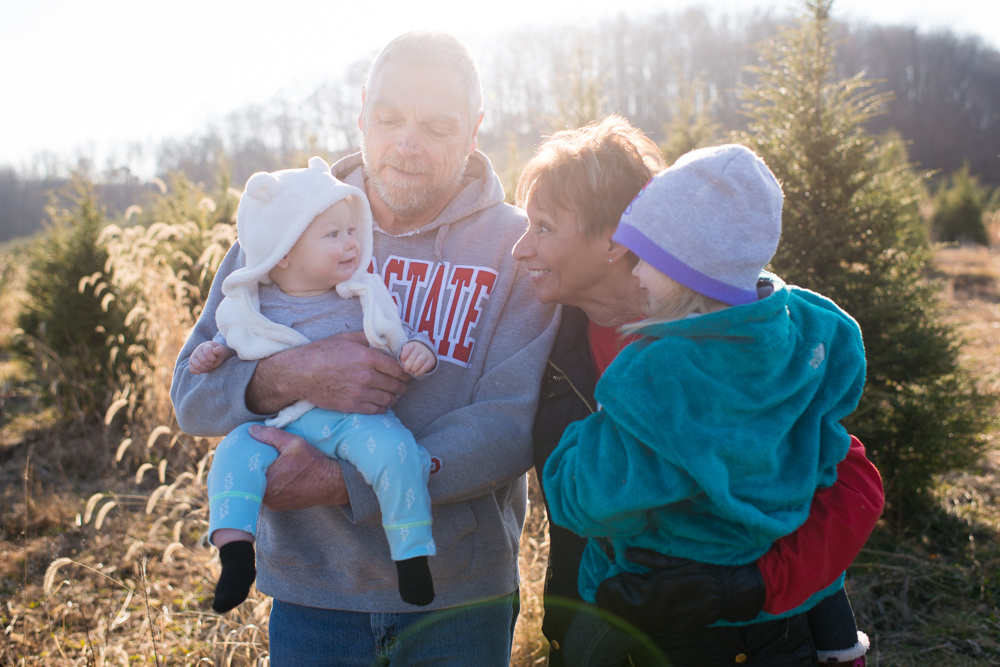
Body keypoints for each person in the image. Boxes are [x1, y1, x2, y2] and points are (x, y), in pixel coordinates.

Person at [170, 31, 561, 666]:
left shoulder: (514, 250)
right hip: (314, 594)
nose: (407, 143)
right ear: (360, 115)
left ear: (474, 130)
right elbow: (192, 398)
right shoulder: (290, 223)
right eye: (388, 118)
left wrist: (338, 481)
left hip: (458, 597)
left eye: (437, 126)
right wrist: (293, 374)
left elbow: (507, 428)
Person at [513, 118, 880, 667]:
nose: (520, 248)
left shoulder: (739, 342)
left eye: (543, 227)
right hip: (601, 624)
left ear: (616, 239)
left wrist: (747, 587)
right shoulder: (539, 342)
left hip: (750, 637)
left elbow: (848, 485)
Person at [186, 157, 439, 612]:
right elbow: (227, 344)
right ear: (282, 251)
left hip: (354, 422)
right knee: (234, 452)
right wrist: (213, 353)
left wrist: (415, 351)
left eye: (351, 230)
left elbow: (394, 334)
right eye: (332, 234)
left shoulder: (362, 292)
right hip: (282, 426)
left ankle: (412, 552)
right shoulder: (250, 301)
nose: (351, 243)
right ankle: (237, 553)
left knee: (397, 452)